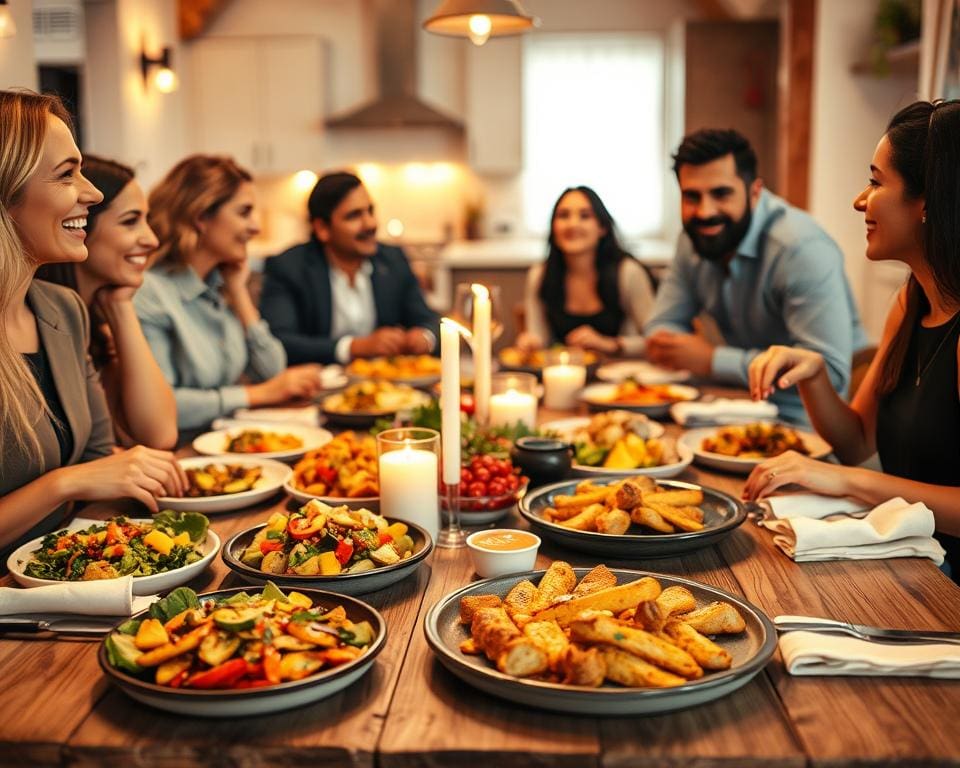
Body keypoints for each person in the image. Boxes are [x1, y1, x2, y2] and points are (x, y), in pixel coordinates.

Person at [743, 100, 960, 577]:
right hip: (906, 560)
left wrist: (847, 481)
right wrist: (815, 373)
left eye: (877, 182)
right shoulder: (910, 305)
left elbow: (854, 467)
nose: (860, 200)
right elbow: (857, 441)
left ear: (928, 202)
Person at [0, 90, 185, 552]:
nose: (92, 193)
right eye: (67, 175)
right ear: (6, 194)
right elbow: (87, 475)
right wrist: (65, 484)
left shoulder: (62, 310)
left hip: (66, 576)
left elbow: (101, 459)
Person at [644, 129, 867, 423]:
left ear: (755, 192)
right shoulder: (692, 239)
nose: (705, 211)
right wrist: (681, 349)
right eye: (691, 196)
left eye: (721, 193)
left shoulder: (800, 249)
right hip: (729, 408)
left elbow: (831, 375)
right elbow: (661, 327)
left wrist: (713, 360)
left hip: (805, 422)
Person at [135, 155, 323, 430]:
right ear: (201, 217)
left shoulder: (219, 285)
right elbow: (163, 407)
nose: (256, 227)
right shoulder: (150, 292)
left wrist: (239, 293)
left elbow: (272, 372)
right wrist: (258, 395)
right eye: (244, 212)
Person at [37, 155, 178, 449]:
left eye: (146, 221)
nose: (152, 240)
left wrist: (120, 306)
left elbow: (160, 434)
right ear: (80, 225)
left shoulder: (96, 324)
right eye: (131, 221)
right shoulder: (37, 321)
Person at [260, 171, 440, 365]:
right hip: (317, 387)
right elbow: (280, 342)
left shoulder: (393, 260)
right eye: (354, 216)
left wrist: (425, 337)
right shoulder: (289, 267)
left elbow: (431, 321)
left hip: (386, 386)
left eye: (370, 211)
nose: (370, 224)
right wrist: (355, 347)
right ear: (322, 229)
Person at [517, 186, 655, 356]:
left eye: (585, 216)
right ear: (553, 227)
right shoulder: (539, 275)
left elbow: (655, 341)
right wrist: (531, 342)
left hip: (621, 376)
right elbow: (539, 337)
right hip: (562, 377)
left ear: (602, 228)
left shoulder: (628, 272)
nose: (573, 224)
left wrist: (610, 344)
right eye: (563, 216)